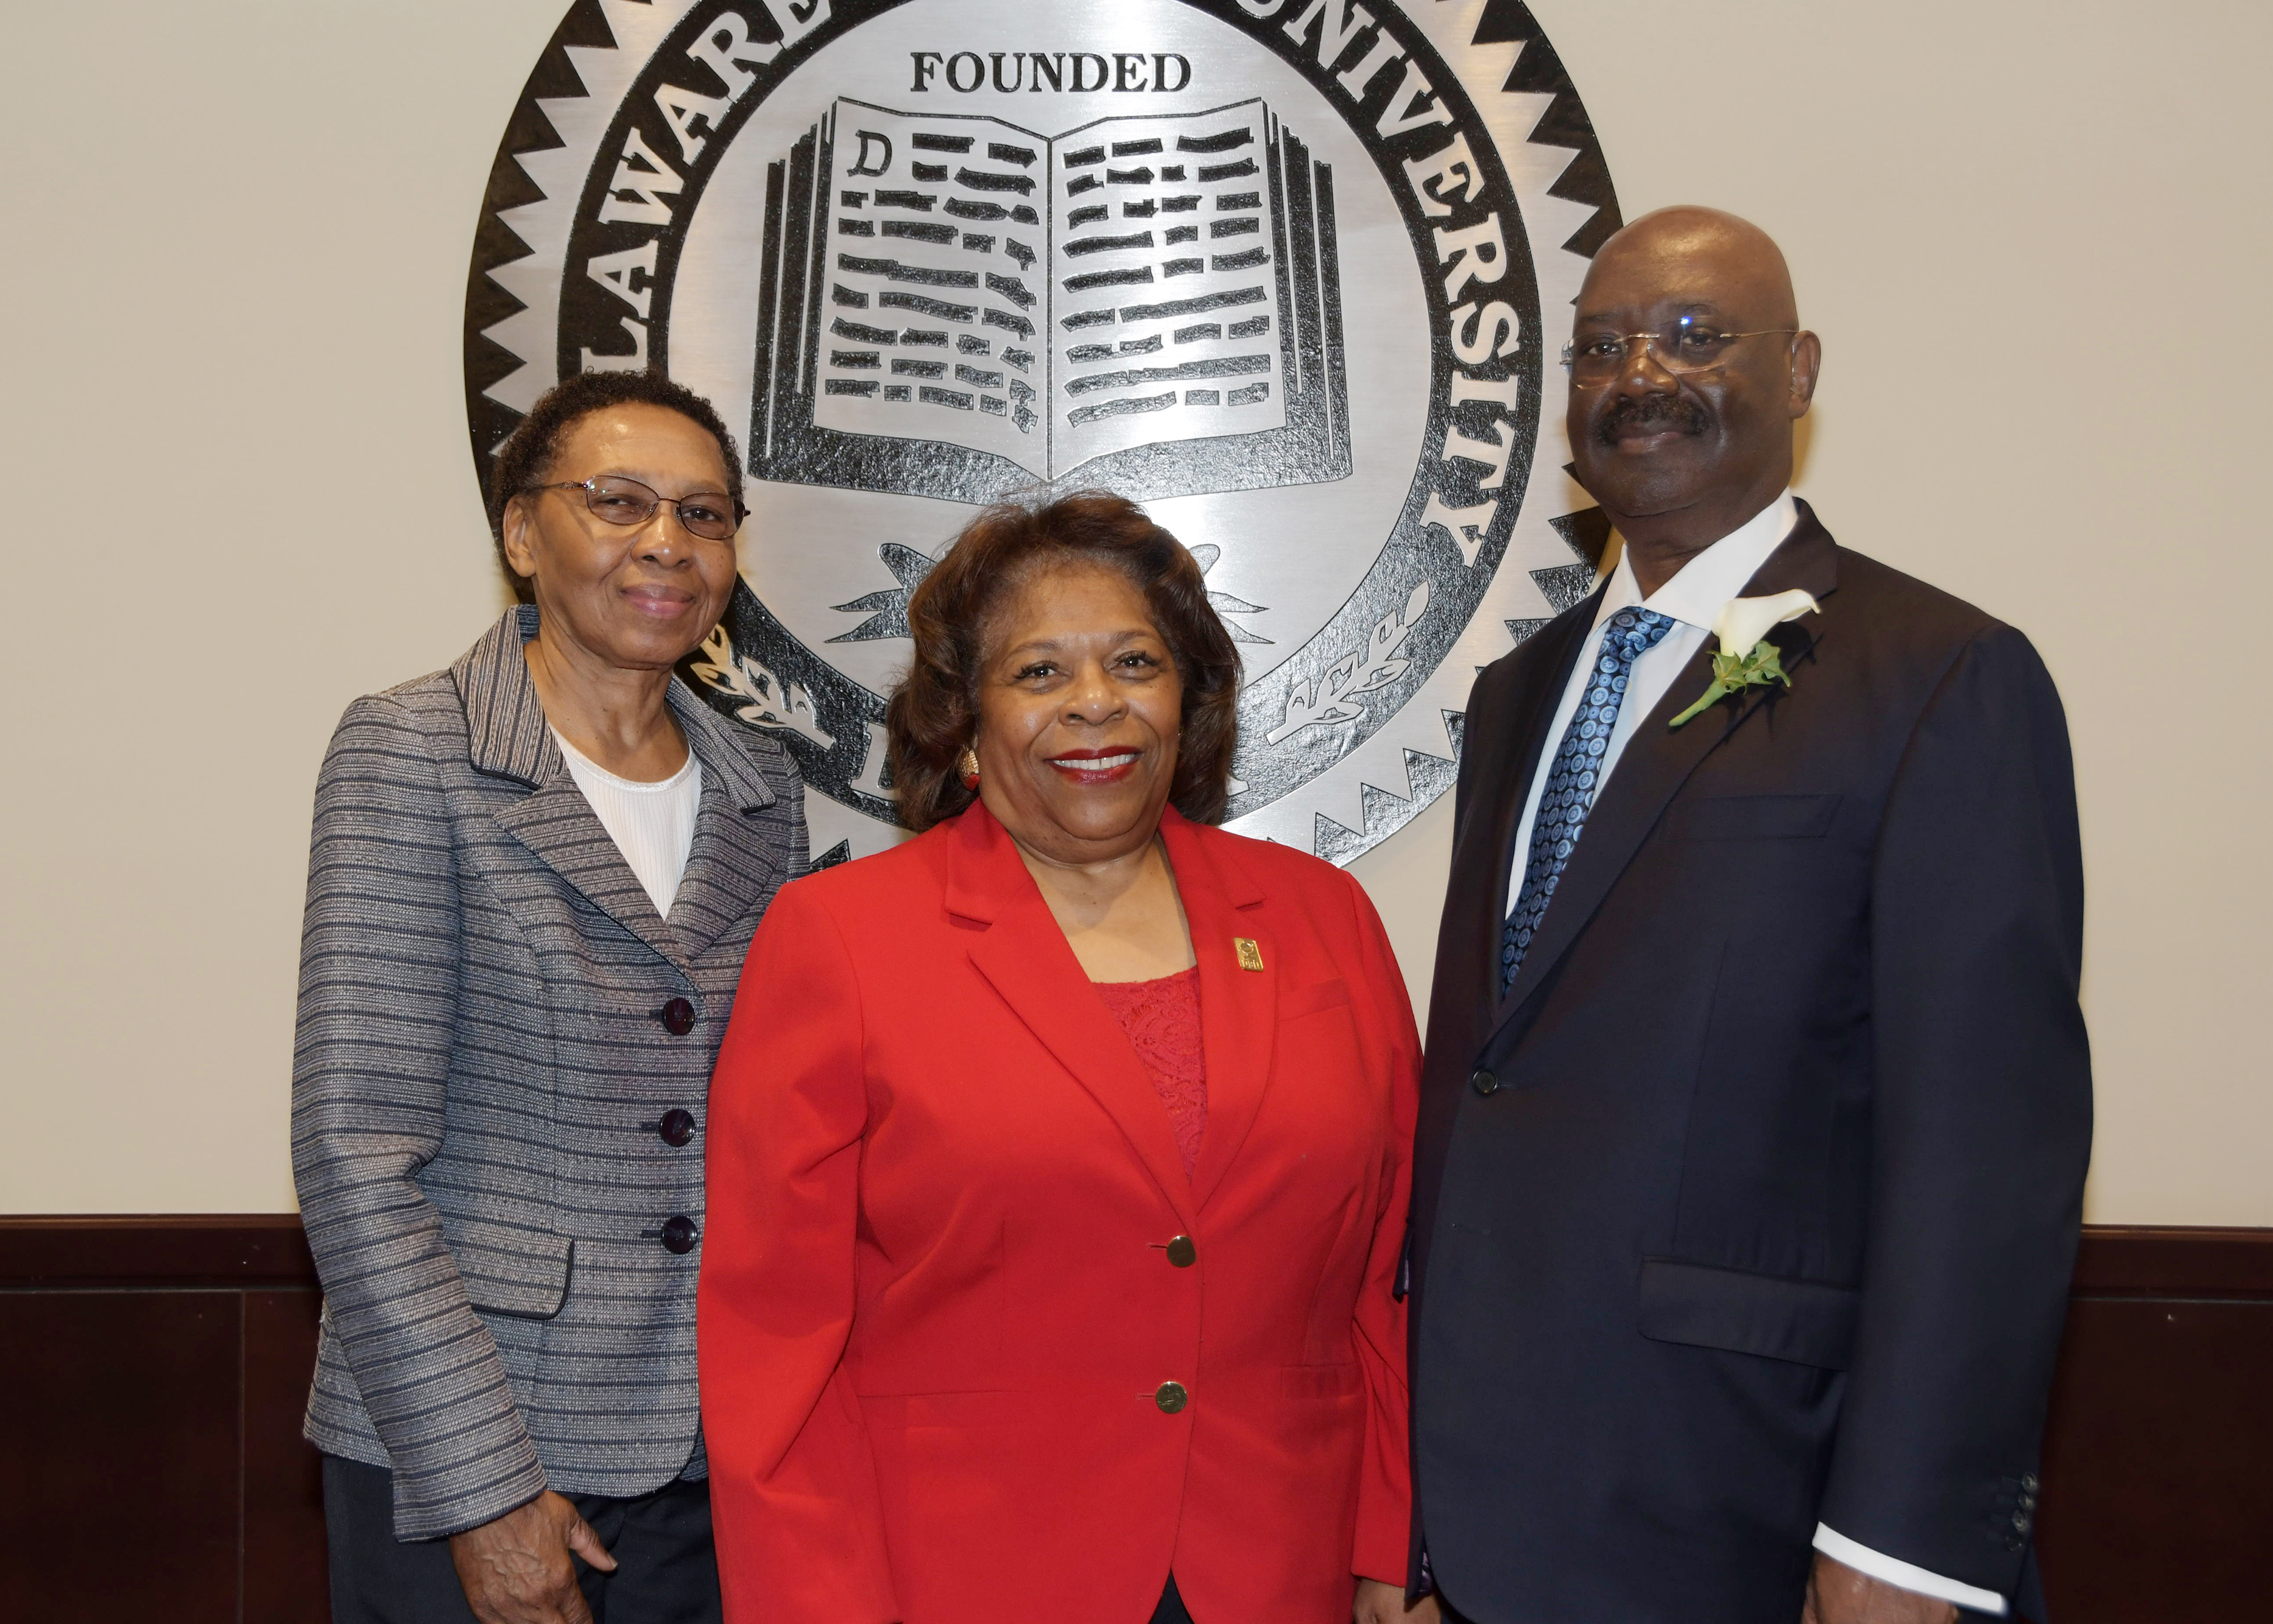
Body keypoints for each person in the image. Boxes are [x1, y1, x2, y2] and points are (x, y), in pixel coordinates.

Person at [1405, 208, 2091, 1624]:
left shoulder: (1938, 680)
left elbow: (1984, 1156)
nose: (1638, 373)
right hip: (1484, 1509)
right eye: (1599, 347)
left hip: (1757, 1507)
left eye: (1694, 335)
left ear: (1801, 370)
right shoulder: (1513, 695)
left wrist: (1900, 1547)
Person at [696, 493, 1429, 1624]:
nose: (1097, 703)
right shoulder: (841, 939)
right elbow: (774, 1339)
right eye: (1039, 673)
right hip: (960, 1575)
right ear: (965, 720)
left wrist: (1396, 1532)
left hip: (1286, 1563)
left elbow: (1389, 1273)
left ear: (1186, 697)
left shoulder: (1323, 920)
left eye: (1134, 661)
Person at [293, 368, 804, 1624]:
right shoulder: (411, 748)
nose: (666, 544)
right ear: (522, 533)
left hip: (698, 1449)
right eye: (617, 500)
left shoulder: (763, 788)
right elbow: (356, 1152)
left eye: (704, 514)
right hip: (463, 1442)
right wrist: (485, 1490)